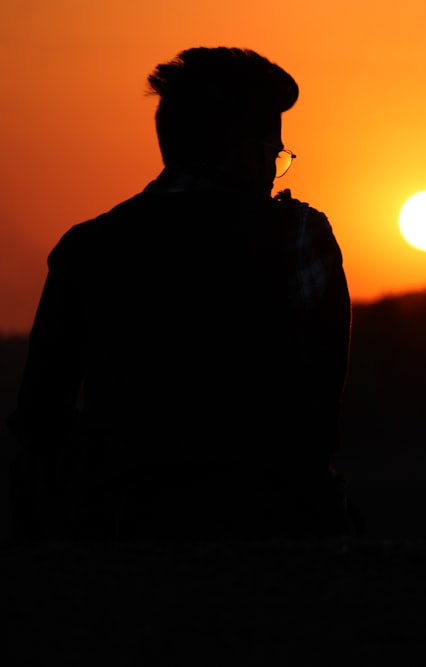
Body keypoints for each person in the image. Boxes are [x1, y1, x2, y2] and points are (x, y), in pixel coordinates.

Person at [6, 47, 359, 541]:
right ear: (250, 152)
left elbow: (40, 418)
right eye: (276, 154)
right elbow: (320, 415)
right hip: (271, 521)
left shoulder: (85, 247)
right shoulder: (299, 236)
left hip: (118, 524)